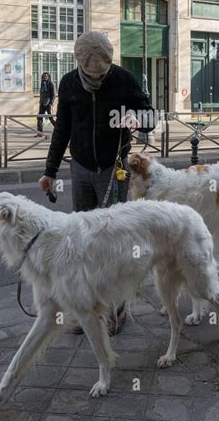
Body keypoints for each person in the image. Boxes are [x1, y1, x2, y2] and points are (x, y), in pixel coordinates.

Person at [38, 31, 155, 334]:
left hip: (114, 167)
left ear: (109, 63)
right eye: (91, 73)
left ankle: (117, 309)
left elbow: (151, 117)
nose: (97, 78)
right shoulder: (68, 83)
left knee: (114, 242)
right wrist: (50, 171)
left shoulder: (123, 79)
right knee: (82, 242)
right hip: (80, 168)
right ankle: (87, 311)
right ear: (79, 64)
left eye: (101, 72)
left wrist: (131, 118)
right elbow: (62, 128)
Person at [36, 72, 56, 137]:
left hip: (48, 103)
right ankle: (40, 133)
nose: (45, 77)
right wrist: (40, 101)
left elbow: (53, 95)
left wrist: (51, 103)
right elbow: (42, 94)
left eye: (46, 76)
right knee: (39, 117)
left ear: (48, 77)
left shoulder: (51, 84)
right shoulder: (42, 84)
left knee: (50, 118)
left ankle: (59, 129)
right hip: (42, 103)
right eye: (44, 76)